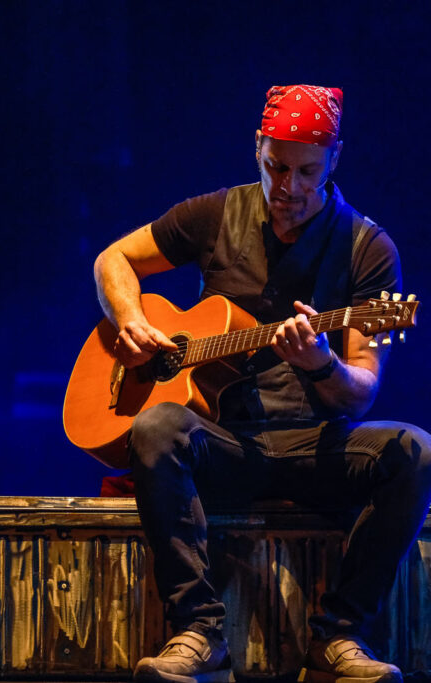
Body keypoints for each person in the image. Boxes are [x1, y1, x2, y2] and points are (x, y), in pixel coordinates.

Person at [93, 85, 431, 683]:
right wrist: (134, 321)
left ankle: (339, 639)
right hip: (225, 442)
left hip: (315, 447)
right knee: (154, 426)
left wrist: (320, 363)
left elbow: (363, 388)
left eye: (306, 172)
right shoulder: (215, 214)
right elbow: (113, 260)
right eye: (276, 167)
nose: (289, 188)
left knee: (416, 451)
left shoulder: (367, 247)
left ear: (334, 160)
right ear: (257, 149)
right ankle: (198, 634)